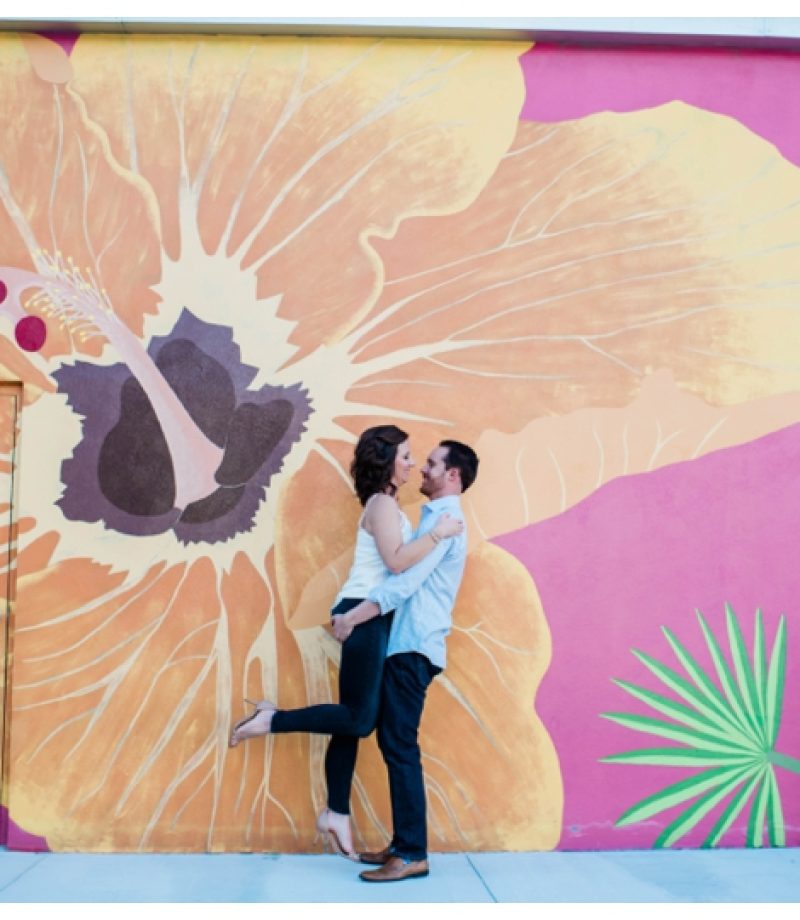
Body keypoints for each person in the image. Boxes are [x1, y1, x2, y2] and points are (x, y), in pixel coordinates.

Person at [227, 424, 463, 860]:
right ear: (387, 461)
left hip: (371, 615)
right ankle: (270, 719)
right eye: (407, 456)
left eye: (418, 458)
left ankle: (336, 813)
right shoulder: (382, 505)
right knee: (357, 718)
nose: (412, 464)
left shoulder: (387, 506)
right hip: (366, 613)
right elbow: (395, 563)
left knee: (352, 718)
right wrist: (437, 535)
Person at [331, 439, 479, 883]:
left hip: (414, 645)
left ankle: (412, 852)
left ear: (452, 475)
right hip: (409, 644)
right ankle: (403, 845)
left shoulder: (445, 521)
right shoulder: (435, 519)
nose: (422, 470)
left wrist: (354, 617)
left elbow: (405, 581)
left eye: (431, 464)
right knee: (395, 743)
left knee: (399, 746)